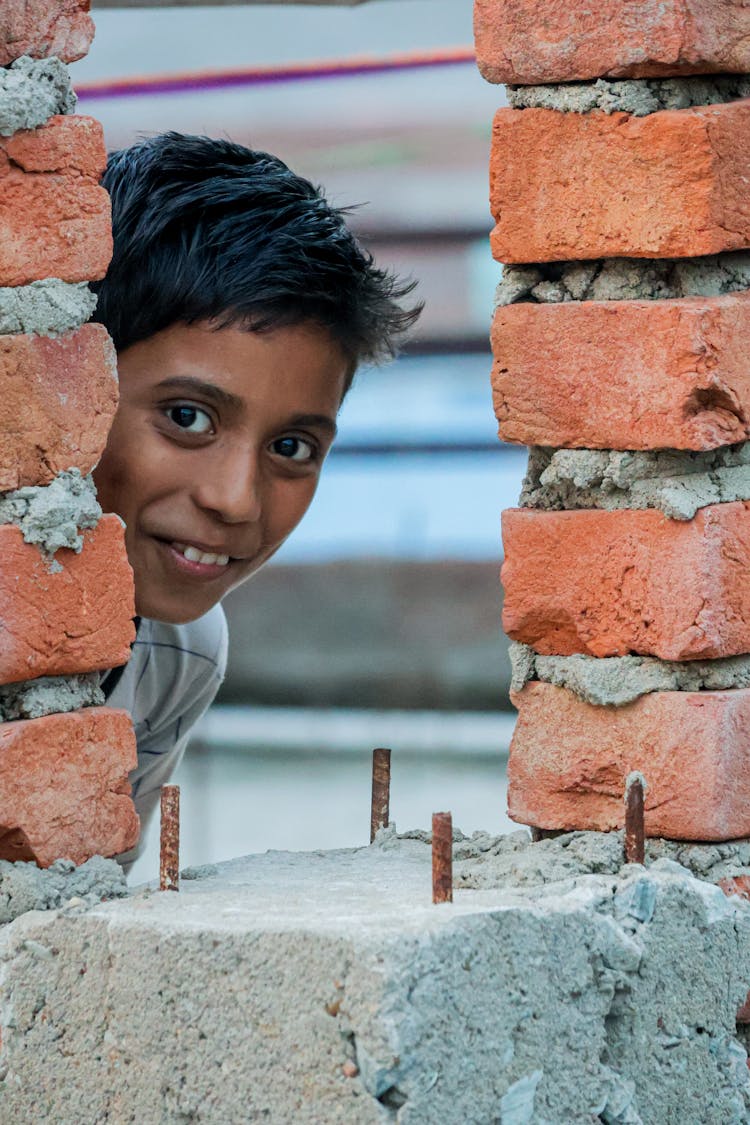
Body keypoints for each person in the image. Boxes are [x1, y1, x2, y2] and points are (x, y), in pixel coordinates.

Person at [90, 132, 421, 866]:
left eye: (292, 448)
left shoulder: (178, 654)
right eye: (187, 417)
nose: (236, 500)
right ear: (73, 385)